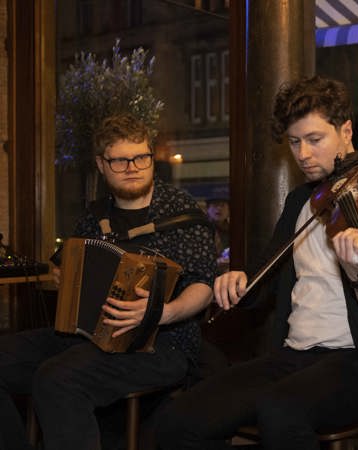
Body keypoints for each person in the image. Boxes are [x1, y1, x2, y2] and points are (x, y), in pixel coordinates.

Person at [155, 75, 358, 449]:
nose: (303, 154)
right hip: (293, 356)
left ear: (346, 130)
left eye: (314, 140)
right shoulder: (301, 202)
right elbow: (265, 276)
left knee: (279, 410)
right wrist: (239, 282)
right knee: (179, 419)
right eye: (295, 142)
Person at [0, 114, 217, 450]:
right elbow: (67, 265)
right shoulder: (94, 216)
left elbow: (203, 285)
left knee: (59, 378)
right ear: (101, 164)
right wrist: (64, 277)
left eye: (141, 157)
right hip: (87, 336)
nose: (133, 167)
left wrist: (163, 312)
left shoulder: (181, 213)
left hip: (163, 344)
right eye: (119, 160)